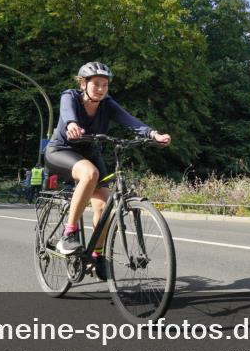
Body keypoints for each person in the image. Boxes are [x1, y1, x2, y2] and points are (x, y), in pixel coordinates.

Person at [44, 62, 170, 256]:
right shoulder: (70, 96)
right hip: (61, 151)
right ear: (83, 84)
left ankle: (97, 254)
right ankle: (68, 234)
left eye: (105, 85)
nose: (101, 89)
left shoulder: (107, 104)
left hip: (91, 154)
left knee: (105, 207)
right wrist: (71, 124)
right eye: (96, 84)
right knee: (90, 173)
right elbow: (67, 111)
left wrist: (153, 135)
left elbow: (130, 121)